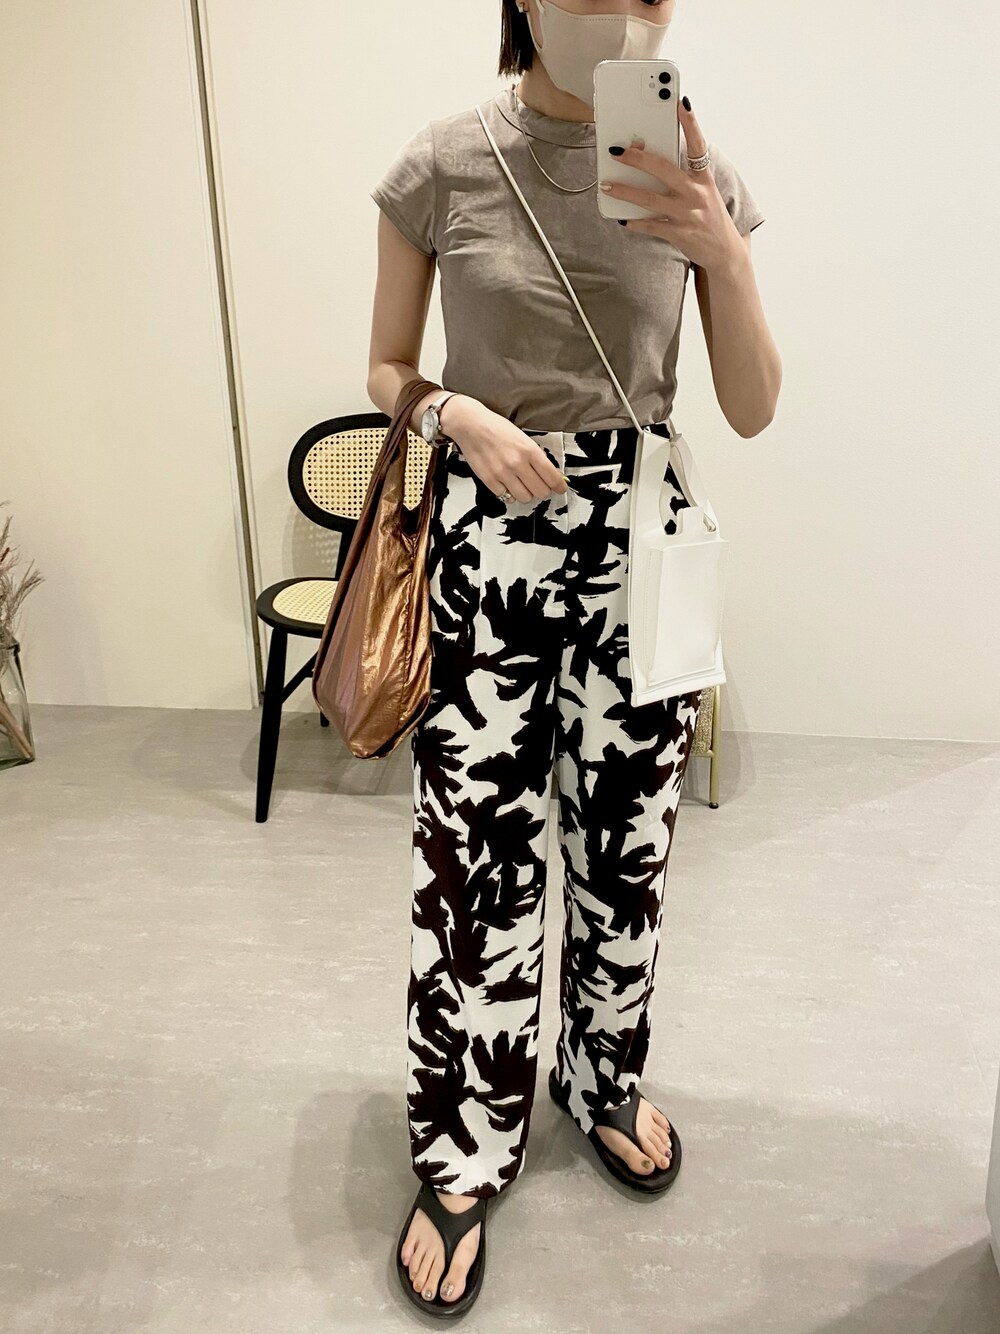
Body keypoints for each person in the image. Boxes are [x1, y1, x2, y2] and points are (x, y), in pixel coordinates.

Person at [366, 0, 781, 1316]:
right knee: (476, 859)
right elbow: (384, 367)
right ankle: (464, 1143)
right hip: (491, 539)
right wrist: (454, 410)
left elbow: (754, 407)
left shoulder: (689, 167)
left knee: (628, 847)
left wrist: (722, 249)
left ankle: (602, 1078)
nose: (628, 17)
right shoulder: (444, 161)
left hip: (643, 544)